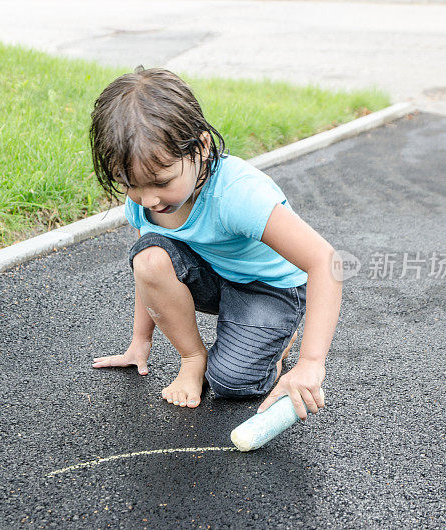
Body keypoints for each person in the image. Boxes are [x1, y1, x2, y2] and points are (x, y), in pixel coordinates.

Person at [88, 66, 341, 420]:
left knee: (231, 384)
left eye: (161, 181)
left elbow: (326, 261)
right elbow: (150, 272)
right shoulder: (147, 198)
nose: (147, 200)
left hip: (268, 289)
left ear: (202, 147)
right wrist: (139, 342)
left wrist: (311, 364)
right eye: (129, 183)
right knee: (148, 257)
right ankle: (193, 358)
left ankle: (280, 338)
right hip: (215, 276)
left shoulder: (239, 195)